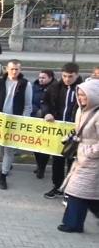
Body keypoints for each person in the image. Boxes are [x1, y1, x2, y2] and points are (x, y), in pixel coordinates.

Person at [57, 80, 99, 233]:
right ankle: (73, 223)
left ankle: (73, 223)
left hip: (92, 160)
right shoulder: (82, 110)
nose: (80, 98)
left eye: (84, 95)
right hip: (82, 158)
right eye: (79, 95)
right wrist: (70, 138)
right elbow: (79, 131)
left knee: (80, 192)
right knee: (82, 192)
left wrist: (89, 152)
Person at [41, 63, 84, 204]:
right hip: (58, 130)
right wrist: (46, 113)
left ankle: (70, 191)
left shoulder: (82, 89)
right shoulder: (55, 88)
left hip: (76, 132)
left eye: (70, 76)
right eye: (64, 76)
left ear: (77, 75)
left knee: (72, 162)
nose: (67, 79)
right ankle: (57, 187)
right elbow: (45, 102)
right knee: (57, 160)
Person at [0, 59, 33, 190]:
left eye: (17, 69)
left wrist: (23, 121)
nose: (14, 71)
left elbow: (28, 105)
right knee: (1, 146)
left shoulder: (25, 84)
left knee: (9, 149)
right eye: (12, 69)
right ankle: (7, 165)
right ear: (7, 69)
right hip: (1, 121)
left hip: (15, 122)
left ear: (20, 70)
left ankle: (3, 175)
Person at [31, 69, 55, 178]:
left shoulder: (55, 88)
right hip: (35, 118)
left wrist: (45, 112)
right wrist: (36, 110)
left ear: (50, 78)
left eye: (43, 78)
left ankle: (42, 168)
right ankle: (38, 164)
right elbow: (29, 101)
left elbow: (54, 104)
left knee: (44, 145)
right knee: (35, 144)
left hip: (48, 120)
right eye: (40, 77)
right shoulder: (34, 87)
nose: (41, 80)